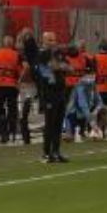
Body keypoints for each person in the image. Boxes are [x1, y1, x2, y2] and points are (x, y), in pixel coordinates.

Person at [36, 31, 70, 163]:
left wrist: (60, 66)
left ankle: (56, 152)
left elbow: (69, 67)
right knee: (50, 123)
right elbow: (46, 70)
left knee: (58, 124)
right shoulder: (41, 54)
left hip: (61, 92)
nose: (52, 42)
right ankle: (46, 153)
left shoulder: (58, 53)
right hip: (49, 93)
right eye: (49, 40)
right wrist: (58, 67)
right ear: (43, 41)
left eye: (54, 40)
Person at [0, 35, 25, 144]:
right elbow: (26, 67)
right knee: (12, 110)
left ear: (3, 43)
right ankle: (11, 133)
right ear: (12, 44)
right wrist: (19, 80)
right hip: (12, 86)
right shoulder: (16, 55)